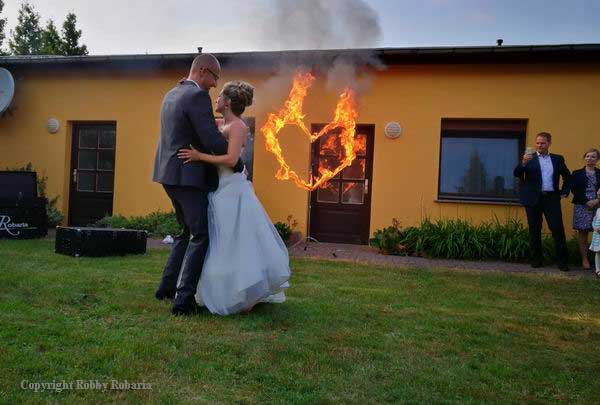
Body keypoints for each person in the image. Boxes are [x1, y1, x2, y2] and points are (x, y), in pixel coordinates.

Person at [177, 81, 291, 315]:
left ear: (227, 102)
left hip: (233, 188)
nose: (215, 100)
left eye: (219, 97)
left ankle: (247, 294)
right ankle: (227, 291)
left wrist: (199, 156)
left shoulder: (238, 126)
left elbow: (231, 160)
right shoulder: (221, 123)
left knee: (237, 241)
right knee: (222, 242)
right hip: (219, 189)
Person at [152, 53, 244, 316]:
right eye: (215, 77)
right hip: (188, 177)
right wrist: (237, 164)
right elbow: (210, 139)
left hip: (168, 173)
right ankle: (183, 301)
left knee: (184, 232)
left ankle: (166, 288)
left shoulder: (171, 93)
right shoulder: (196, 96)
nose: (215, 85)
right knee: (200, 234)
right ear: (203, 71)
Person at [513, 132, 571, 271]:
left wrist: (564, 191)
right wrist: (523, 163)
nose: (539, 145)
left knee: (557, 229)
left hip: (551, 198)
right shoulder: (529, 158)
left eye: (543, 143)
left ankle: (562, 263)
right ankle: (536, 261)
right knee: (534, 230)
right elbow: (516, 173)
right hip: (532, 199)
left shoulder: (557, 159)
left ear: (549, 143)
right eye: (537, 143)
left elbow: (567, 176)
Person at [570, 148, 600, 269]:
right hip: (582, 205)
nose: (590, 158)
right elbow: (574, 190)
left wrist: (597, 200)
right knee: (583, 232)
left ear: (597, 159)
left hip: (598, 205)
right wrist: (586, 202)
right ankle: (585, 259)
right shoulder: (577, 173)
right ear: (584, 158)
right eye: (587, 156)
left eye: (593, 156)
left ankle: (597, 259)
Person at [590, 190, 600, 277]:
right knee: (597, 252)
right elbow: (594, 221)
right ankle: (597, 270)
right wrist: (595, 228)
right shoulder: (598, 211)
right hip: (598, 236)